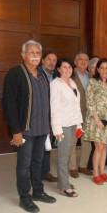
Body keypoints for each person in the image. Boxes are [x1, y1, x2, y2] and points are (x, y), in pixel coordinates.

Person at [2, 40, 56, 213]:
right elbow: (9, 104)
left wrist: (50, 127)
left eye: (38, 53)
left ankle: (38, 192)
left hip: (41, 129)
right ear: (23, 54)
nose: (35, 56)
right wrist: (15, 131)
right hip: (25, 130)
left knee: (38, 163)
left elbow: (47, 103)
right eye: (31, 52)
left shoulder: (42, 75)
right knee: (24, 165)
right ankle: (24, 197)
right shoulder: (15, 74)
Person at [83, 58, 107, 185]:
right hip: (96, 120)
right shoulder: (92, 82)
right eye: (102, 68)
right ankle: (95, 173)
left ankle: (102, 171)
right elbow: (89, 102)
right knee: (98, 147)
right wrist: (96, 119)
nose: (104, 70)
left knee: (105, 146)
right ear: (98, 69)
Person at [50, 58, 82, 197]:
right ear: (58, 69)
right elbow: (54, 109)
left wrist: (79, 125)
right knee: (63, 156)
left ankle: (63, 181)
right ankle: (64, 186)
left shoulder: (72, 83)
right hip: (63, 125)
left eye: (69, 67)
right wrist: (57, 130)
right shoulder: (55, 84)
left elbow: (76, 106)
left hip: (73, 123)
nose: (67, 69)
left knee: (68, 154)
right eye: (64, 67)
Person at [70, 53, 92, 177]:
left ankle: (83, 165)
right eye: (80, 59)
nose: (83, 62)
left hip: (88, 115)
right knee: (73, 141)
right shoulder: (70, 75)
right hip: (74, 115)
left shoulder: (91, 76)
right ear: (75, 61)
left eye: (85, 60)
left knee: (87, 141)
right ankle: (72, 167)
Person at [38, 50, 58, 183]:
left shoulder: (56, 76)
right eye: (49, 59)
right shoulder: (37, 74)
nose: (51, 62)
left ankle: (45, 172)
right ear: (43, 60)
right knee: (38, 146)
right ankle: (36, 173)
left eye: (54, 60)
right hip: (39, 116)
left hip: (52, 116)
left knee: (47, 145)